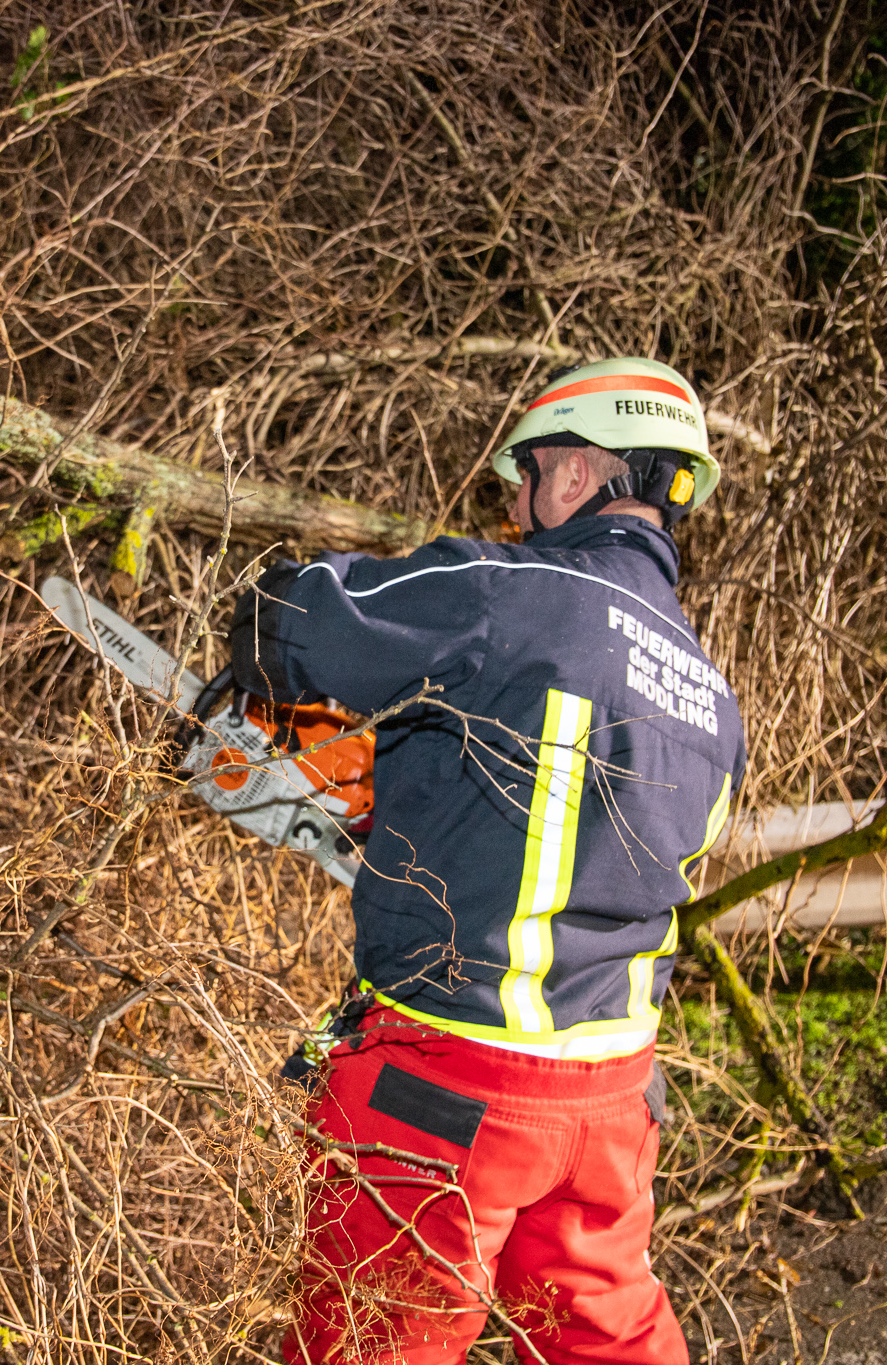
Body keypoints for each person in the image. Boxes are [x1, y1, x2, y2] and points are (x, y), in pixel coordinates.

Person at [228, 358, 746, 1365]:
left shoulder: (514, 590)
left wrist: (262, 638)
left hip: (448, 1089)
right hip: (612, 1100)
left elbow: (292, 622)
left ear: (574, 472)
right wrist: (412, 789)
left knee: (377, 1342)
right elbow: (578, 841)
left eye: (526, 477)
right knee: (608, 1338)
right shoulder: (712, 699)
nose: (514, 505)